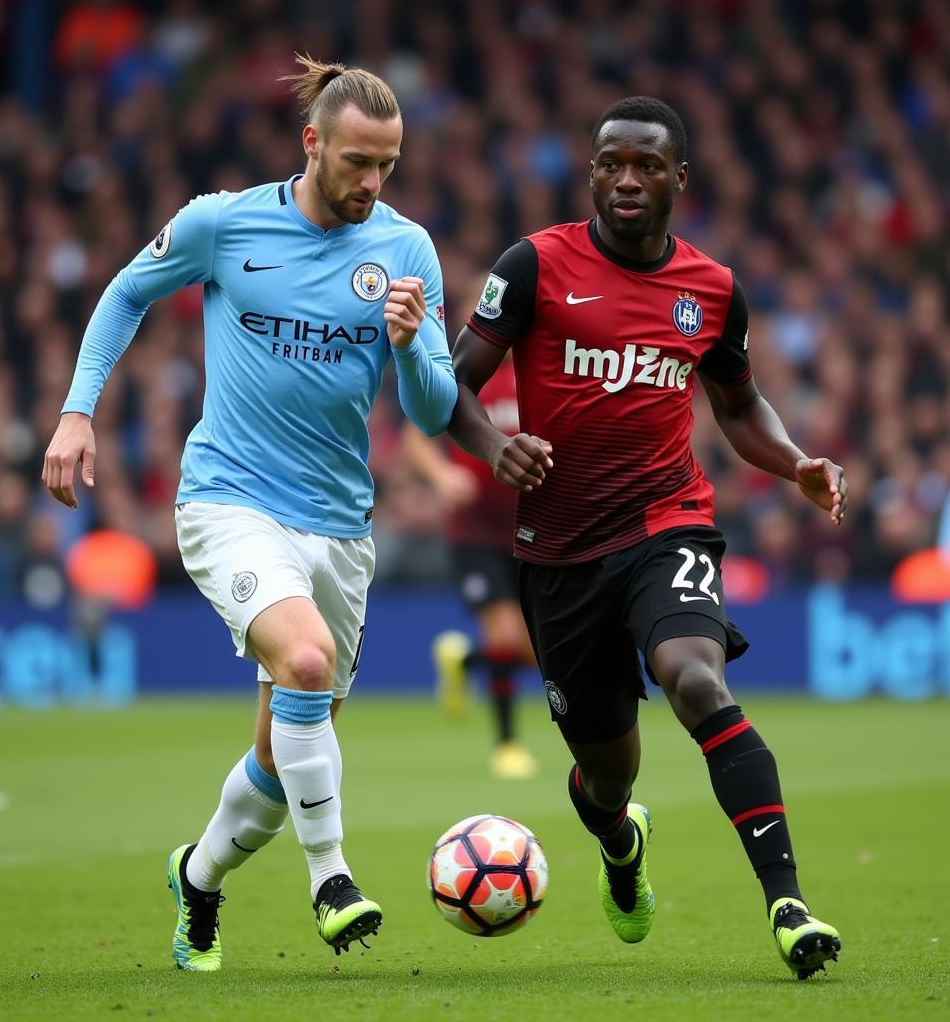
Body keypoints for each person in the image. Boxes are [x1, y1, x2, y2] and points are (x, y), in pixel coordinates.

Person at [42, 55, 456, 970]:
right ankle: (333, 877)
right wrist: (78, 411)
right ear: (311, 142)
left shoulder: (405, 249)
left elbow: (432, 410)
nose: (371, 183)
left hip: (340, 525)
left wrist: (411, 347)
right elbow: (124, 294)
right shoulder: (223, 225)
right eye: (356, 161)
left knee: (283, 754)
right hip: (229, 498)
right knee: (305, 659)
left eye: (387, 164)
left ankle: (197, 877)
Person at [446, 96, 845, 980]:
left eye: (647, 165)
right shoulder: (535, 265)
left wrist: (795, 465)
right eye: (611, 163)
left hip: (668, 525)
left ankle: (789, 906)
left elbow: (738, 405)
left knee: (697, 681)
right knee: (605, 779)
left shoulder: (712, 290)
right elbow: (453, 384)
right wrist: (494, 444)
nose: (627, 179)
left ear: (679, 179)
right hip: (557, 556)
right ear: (592, 171)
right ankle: (621, 846)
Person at [403, 341, 538, 780]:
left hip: (535, 530)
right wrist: (442, 475)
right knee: (503, 633)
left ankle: (463, 662)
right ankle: (507, 745)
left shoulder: (541, 371)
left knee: (537, 654)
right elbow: (415, 436)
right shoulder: (461, 378)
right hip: (476, 532)